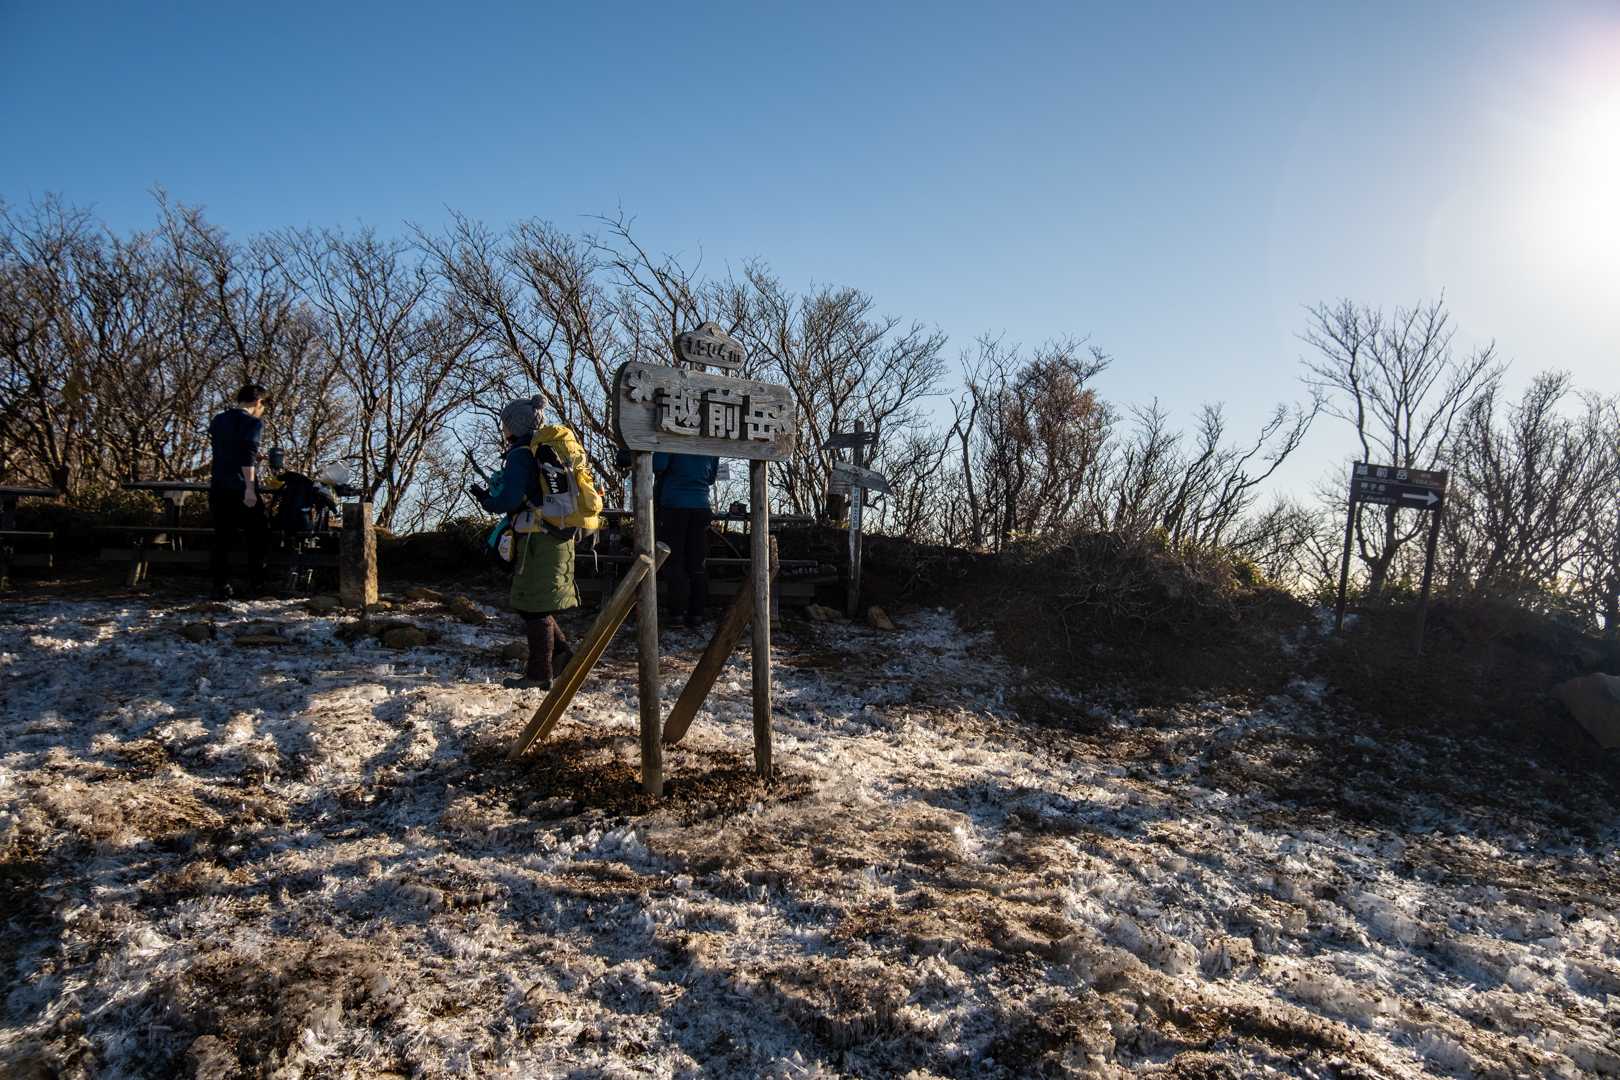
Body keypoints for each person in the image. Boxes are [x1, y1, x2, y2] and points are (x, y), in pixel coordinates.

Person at [472, 397, 579, 690]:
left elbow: (509, 499)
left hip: (537, 538)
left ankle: (539, 673)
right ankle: (563, 657)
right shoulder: (544, 449)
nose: (503, 429)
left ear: (514, 426)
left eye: (505, 424)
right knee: (535, 603)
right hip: (556, 533)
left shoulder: (521, 454)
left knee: (534, 606)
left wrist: (487, 501)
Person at [208, 383, 270, 600]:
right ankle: (255, 584)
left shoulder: (219, 420)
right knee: (258, 534)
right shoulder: (253, 423)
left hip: (218, 485)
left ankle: (220, 586)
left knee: (222, 538)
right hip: (241, 487)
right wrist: (250, 489)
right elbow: (247, 457)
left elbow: (226, 450)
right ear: (258, 402)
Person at [652, 451, 718, 629]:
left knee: (674, 562)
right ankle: (697, 613)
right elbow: (711, 478)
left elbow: (658, 465)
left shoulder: (671, 440)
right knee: (697, 562)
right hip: (701, 506)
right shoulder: (711, 443)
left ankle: (677, 614)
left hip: (673, 506)